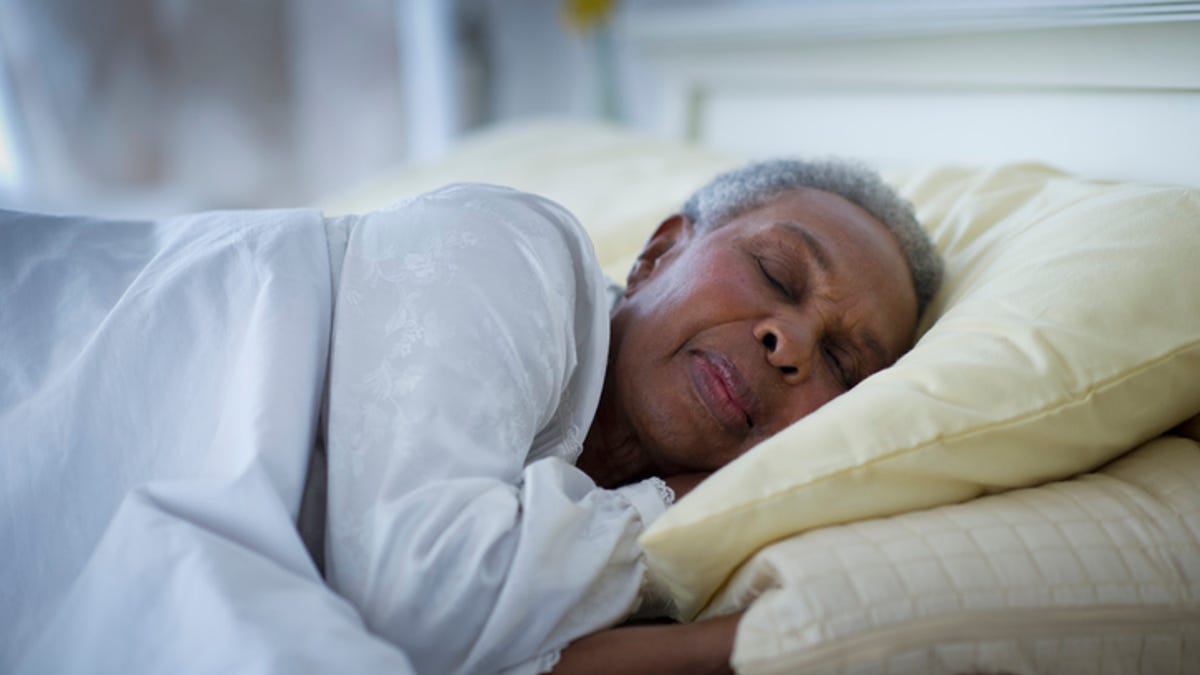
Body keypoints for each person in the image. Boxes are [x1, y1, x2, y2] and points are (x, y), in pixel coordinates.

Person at [2, 157, 941, 674]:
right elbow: (427, 603)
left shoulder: (579, 519)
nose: (788, 340)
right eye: (777, 274)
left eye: (843, 365)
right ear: (658, 254)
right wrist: (681, 521)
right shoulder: (513, 246)